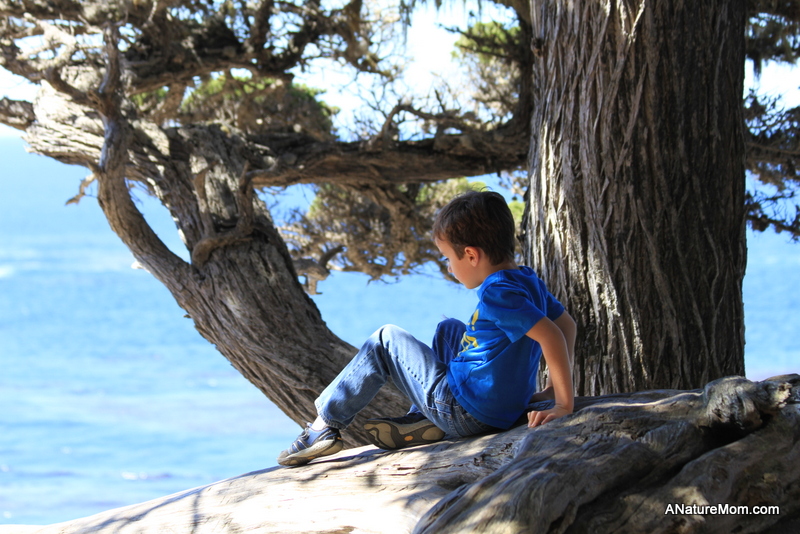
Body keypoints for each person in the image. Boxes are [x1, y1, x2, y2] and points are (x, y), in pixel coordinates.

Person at [277, 190, 576, 467]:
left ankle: (324, 426)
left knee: (384, 339)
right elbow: (566, 325)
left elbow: (551, 335)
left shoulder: (497, 293)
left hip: (466, 411)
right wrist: (551, 388)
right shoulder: (527, 280)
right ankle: (422, 417)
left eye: (449, 258)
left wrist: (563, 403)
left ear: (471, 255)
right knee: (449, 329)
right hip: (505, 407)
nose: (448, 267)